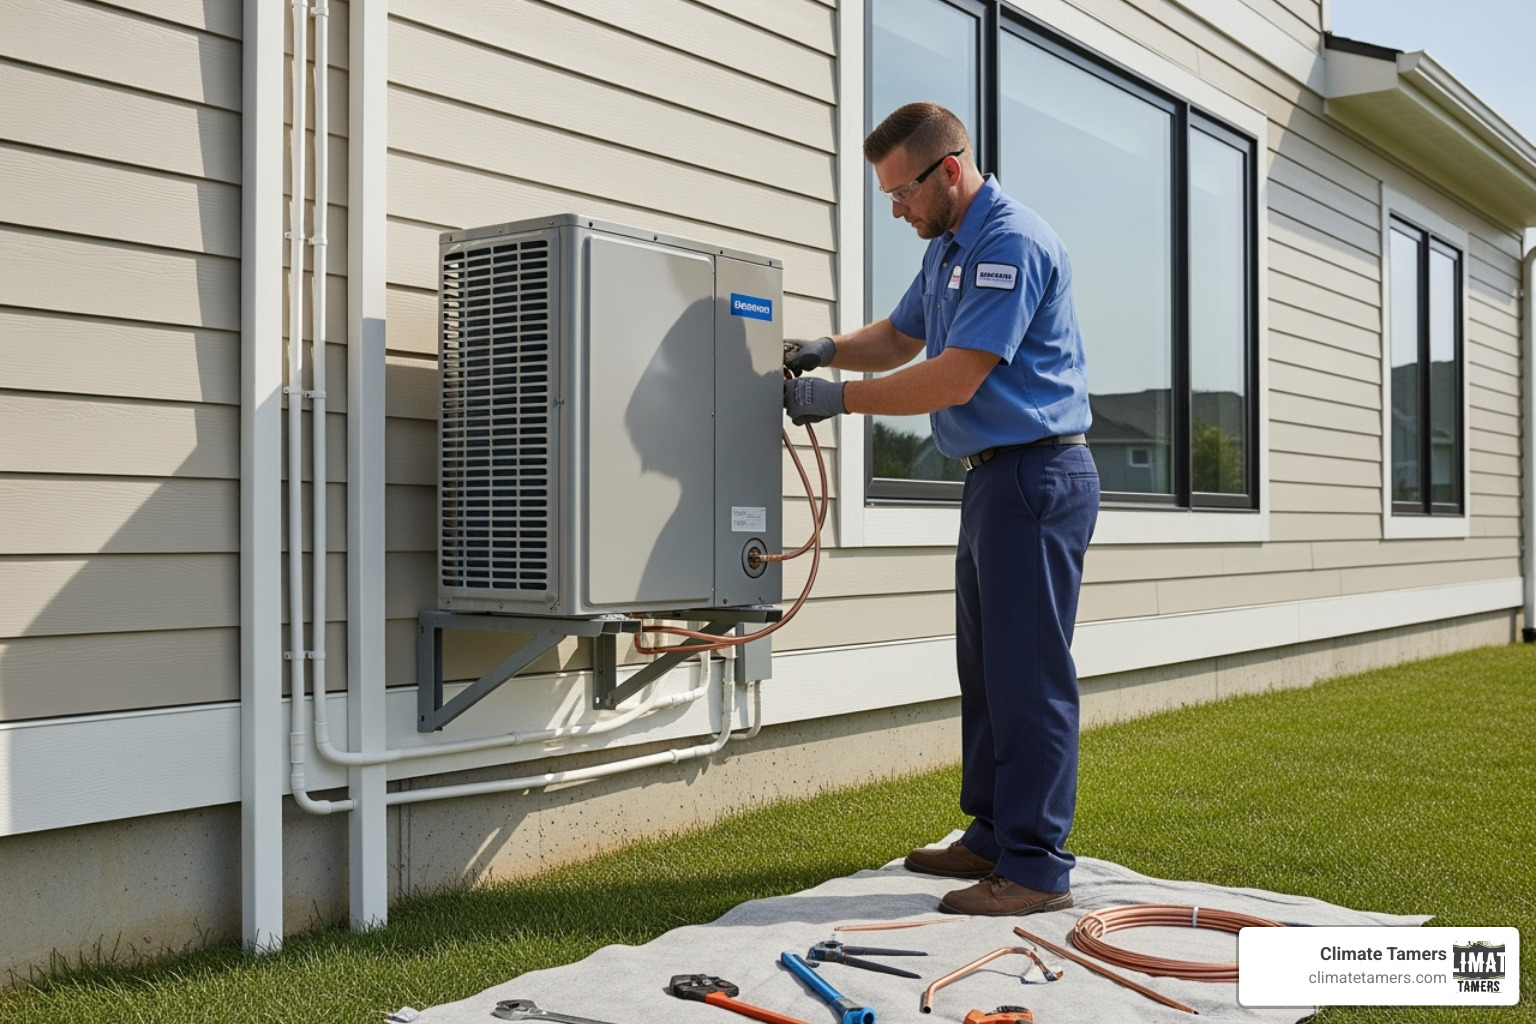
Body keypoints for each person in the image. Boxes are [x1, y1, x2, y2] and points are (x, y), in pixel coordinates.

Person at [782, 102, 1099, 916]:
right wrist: (825, 348)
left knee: (1029, 677)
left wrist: (838, 398)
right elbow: (899, 337)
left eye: (900, 193)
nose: (895, 208)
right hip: (994, 479)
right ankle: (992, 836)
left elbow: (956, 376)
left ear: (947, 171)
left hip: (1037, 476)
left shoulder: (1010, 242)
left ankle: (1034, 869)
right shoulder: (951, 245)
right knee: (988, 672)